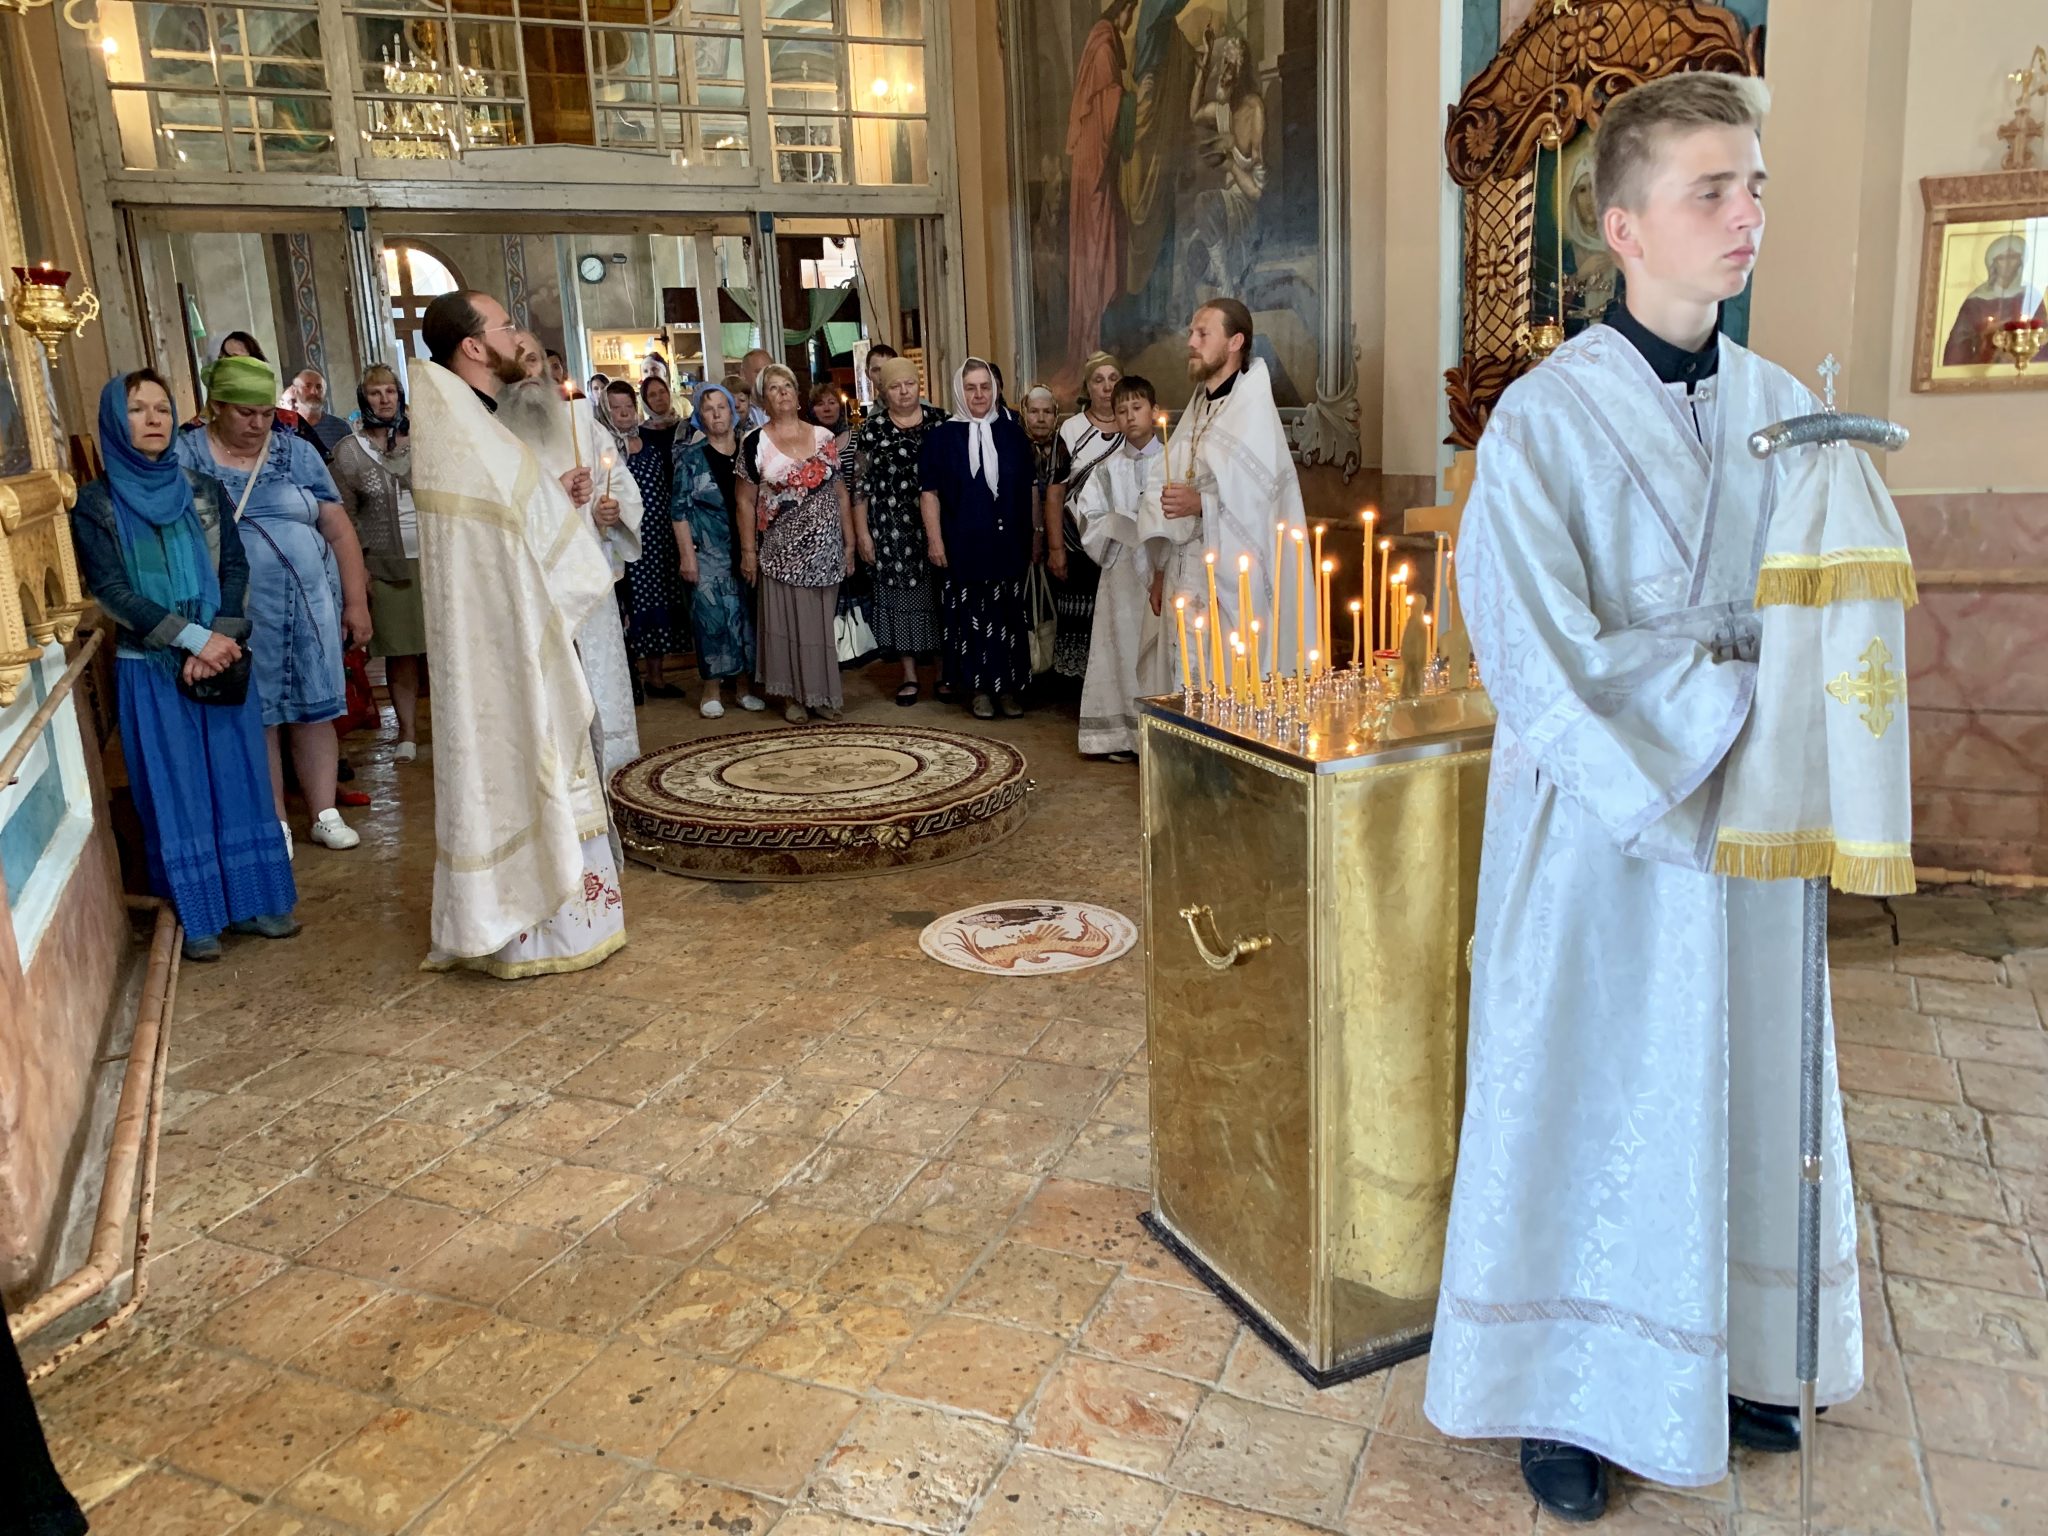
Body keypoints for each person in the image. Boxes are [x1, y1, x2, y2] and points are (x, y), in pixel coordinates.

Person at [1423, 74, 1862, 1523]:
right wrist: (1729, 704)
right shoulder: (1540, 422)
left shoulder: (1787, 410)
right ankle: (1561, 1386)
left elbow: (1830, 614)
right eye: (1709, 191)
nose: (1745, 216)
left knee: (1741, 1072)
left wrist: (1813, 694)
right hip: (1604, 830)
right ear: (1621, 227)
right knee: (1590, 1086)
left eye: (1754, 188)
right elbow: (1533, 649)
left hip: (1750, 827)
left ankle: (1730, 1354)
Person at [410, 289, 625, 978]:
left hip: (518, 627)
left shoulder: (472, 419)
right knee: (518, 755)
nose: (516, 336)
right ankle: (524, 921)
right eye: (504, 326)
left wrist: (554, 499)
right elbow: (501, 538)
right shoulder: (461, 429)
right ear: (473, 346)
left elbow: (512, 523)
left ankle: (556, 918)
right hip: (500, 643)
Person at [72, 370, 299, 962]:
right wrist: (194, 640)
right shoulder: (95, 503)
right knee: (177, 790)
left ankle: (253, 904)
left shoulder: (202, 488)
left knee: (238, 779)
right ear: (113, 422)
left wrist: (220, 638)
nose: (153, 419)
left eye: (162, 408)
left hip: (220, 660)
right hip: (151, 668)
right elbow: (112, 591)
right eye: (137, 409)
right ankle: (198, 919)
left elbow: (235, 569)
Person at [178, 353, 369, 853]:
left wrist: (356, 603)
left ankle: (324, 813)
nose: (258, 424)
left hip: (308, 604)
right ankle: (274, 820)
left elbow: (338, 529)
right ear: (216, 406)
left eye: (266, 412)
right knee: (256, 712)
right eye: (245, 413)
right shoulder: (186, 454)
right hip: (234, 611)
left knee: (315, 707)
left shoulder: (297, 453)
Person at [504, 343, 643, 779]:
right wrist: (555, 489)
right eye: (517, 364)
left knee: (601, 678)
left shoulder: (579, 419)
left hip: (586, 571)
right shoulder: (496, 427)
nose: (528, 372)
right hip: (533, 578)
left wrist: (608, 510)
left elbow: (615, 480)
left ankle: (613, 774)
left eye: (534, 362)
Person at [1158, 298, 1310, 656]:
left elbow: (1260, 504)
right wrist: (1160, 567)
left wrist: (1201, 504)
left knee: (1224, 670)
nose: (1191, 342)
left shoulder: (1251, 410)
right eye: (1191, 333)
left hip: (1230, 576)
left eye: (1203, 334)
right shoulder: (1201, 404)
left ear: (1235, 342)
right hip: (1186, 569)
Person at [735, 363, 854, 723]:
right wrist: (748, 552)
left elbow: (841, 494)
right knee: (786, 626)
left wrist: (850, 543)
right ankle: (792, 698)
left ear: (798, 395)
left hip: (825, 550)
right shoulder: (754, 441)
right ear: (763, 400)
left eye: (787, 385)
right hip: (780, 552)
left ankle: (820, 695)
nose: (782, 392)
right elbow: (744, 502)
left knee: (818, 627)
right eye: (773, 388)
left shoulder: (823, 437)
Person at [920, 357, 1037, 720]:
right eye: (970, 388)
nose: (979, 394)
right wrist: (935, 541)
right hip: (963, 545)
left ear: (995, 390)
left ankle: (1008, 690)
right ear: (960, 391)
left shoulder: (1013, 434)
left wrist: (1035, 536)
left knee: (1008, 617)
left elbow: (1030, 488)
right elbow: (929, 494)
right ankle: (980, 691)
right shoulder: (941, 437)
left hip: (1008, 543)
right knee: (970, 619)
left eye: (985, 387)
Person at [329, 364, 428, 762]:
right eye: (375, 393)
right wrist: (359, 569)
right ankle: (407, 732)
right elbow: (344, 515)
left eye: (390, 391)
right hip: (386, 564)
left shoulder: (424, 438)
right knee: (402, 650)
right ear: (363, 399)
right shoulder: (349, 451)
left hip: (433, 557)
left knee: (447, 649)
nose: (384, 399)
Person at [1074, 375, 1168, 760]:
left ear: (1154, 411)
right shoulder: (1107, 470)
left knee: (1161, 651)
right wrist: (1117, 526)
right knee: (1123, 649)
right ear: (1114, 418)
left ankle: (1162, 735)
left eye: (1137, 408)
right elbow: (1088, 517)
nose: (1130, 416)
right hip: (1121, 576)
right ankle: (1123, 735)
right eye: (1122, 410)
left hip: (1164, 572)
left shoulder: (1174, 463)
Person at [851, 355, 949, 704]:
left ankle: (943, 673)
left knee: (939, 599)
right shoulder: (872, 429)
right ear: (883, 391)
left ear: (919, 385)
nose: (904, 391)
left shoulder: (941, 421)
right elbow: (859, 487)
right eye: (895, 386)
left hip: (939, 527)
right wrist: (862, 535)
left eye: (909, 383)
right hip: (890, 531)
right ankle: (909, 675)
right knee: (901, 601)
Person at [673, 382, 764, 718]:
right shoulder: (690, 458)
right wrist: (687, 556)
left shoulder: (749, 450)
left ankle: (743, 688)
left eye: (721, 407)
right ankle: (711, 690)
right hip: (708, 553)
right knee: (711, 620)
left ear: (732, 411)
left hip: (748, 548)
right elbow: (678, 511)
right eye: (708, 409)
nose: (716, 414)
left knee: (745, 619)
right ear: (700, 416)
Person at [1066, 0, 1137, 369]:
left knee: (1104, 247)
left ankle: (1101, 337)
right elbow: (1109, 106)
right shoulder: (1105, 46)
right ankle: (1096, 338)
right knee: (1100, 250)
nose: (1131, 18)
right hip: (1096, 164)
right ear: (1121, 7)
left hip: (1094, 163)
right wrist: (1133, 100)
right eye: (1131, 9)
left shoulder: (1099, 41)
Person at [1045, 351, 1123, 682]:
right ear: (1087, 386)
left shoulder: (1133, 425)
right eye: (1098, 380)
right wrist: (1055, 548)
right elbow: (1055, 492)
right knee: (1080, 620)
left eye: (1114, 379)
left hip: (1120, 543)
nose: (1106, 387)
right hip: (1076, 542)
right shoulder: (1071, 429)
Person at [615, 376, 691, 696]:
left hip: (660, 535)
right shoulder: (608, 448)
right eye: (615, 408)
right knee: (633, 605)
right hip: (629, 539)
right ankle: (633, 677)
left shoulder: (648, 442)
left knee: (660, 600)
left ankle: (657, 676)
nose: (623, 413)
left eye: (627, 406)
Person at [1941, 232, 2048, 366]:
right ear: (1992, 263)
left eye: (2013, 258)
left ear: (2021, 262)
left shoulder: (2030, 295)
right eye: (2001, 258)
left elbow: (2042, 336)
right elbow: (1959, 342)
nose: (2007, 264)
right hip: (1983, 366)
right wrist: (1985, 338)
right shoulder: (1976, 300)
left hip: (2022, 364)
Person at [290, 368, 353, 459]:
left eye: (319, 387)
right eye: (307, 386)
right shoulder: (282, 428)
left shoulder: (341, 428)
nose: (314, 392)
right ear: (294, 391)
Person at [738, 347, 774, 427]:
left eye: (768, 371)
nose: (764, 377)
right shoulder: (736, 409)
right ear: (743, 374)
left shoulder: (781, 405)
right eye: (758, 372)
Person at [863, 341, 899, 412]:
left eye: (888, 368)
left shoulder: (920, 408)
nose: (882, 375)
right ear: (867, 374)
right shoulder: (873, 416)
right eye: (876, 370)